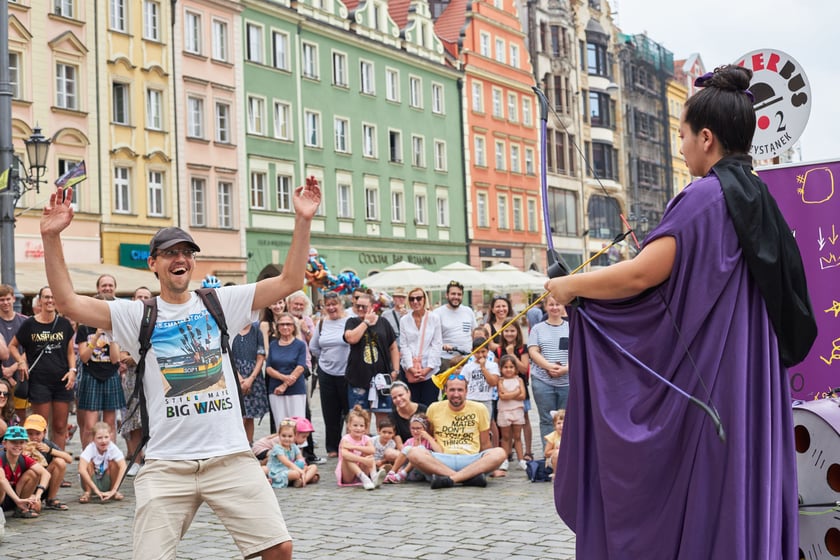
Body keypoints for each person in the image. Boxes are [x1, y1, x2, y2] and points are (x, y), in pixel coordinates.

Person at [546, 65, 816, 559]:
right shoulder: (761, 199)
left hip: (717, 389)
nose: (680, 146)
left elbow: (640, 276)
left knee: (712, 495)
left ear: (707, 139)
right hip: (751, 388)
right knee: (740, 492)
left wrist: (569, 286)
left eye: (683, 135)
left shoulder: (703, 197)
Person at [41, 179, 320, 559]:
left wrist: (302, 220)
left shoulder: (221, 301)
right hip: (167, 463)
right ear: (153, 263)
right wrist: (51, 237)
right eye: (170, 252)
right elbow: (69, 303)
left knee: (278, 548)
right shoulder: (137, 313)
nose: (180, 258)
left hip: (229, 457)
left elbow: (290, 281)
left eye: (187, 251)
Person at [407, 374, 506, 489]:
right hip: (442, 459)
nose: (456, 394)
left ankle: (449, 480)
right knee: (413, 452)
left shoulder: (480, 408)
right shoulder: (434, 408)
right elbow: (430, 436)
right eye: (452, 390)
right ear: (445, 391)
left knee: (499, 452)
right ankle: (467, 478)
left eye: (460, 390)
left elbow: (485, 443)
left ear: (466, 391)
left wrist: (491, 467)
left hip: (470, 459)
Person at [8, 286, 76, 447]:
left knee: (60, 426)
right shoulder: (30, 324)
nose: (50, 300)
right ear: (40, 301)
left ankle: (58, 463)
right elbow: (12, 346)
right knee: (40, 426)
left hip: (62, 380)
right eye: (46, 297)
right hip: (39, 381)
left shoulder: (64, 324)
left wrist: (73, 370)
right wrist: (21, 361)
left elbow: (70, 352)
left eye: (53, 297)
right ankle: (40, 463)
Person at [76, 295, 125, 449]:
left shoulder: (114, 328)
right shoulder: (84, 328)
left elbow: (115, 358)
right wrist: (97, 334)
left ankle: (111, 461)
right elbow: (84, 357)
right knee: (90, 424)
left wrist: (111, 335)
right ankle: (88, 461)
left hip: (110, 375)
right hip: (91, 375)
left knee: (110, 423)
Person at [344, 293, 400, 424]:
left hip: (382, 378)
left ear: (373, 306)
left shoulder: (383, 322)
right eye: (358, 306)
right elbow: (351, 338)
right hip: (358, 378)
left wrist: (395, 370)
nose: (360, 309)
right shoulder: (352, 322)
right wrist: (366, 322)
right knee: (360, 418)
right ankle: (361, 444)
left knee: (384, 418)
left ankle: (380, 444)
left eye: (364, 306)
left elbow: (393, 347)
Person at [309, 292, 350, 458]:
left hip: (347, 373)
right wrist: (324, 359)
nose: (332, 308)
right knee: (330, 412)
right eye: (328, 305)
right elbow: (314, 347)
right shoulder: (321, 323)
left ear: (340, 304)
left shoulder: (349, 321)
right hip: (326, 372)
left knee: (348, 410)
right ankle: (332, 447)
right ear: (324, 307)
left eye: (335, 304)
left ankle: (349, 444)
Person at [119, 286, 153, 477]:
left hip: (152, 378)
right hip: (132, 380)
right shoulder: (127, 323)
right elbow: (122, 356)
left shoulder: (155, 321)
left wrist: (136, 356)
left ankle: (151, 458)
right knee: (133, 420)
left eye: (146, 297)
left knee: (152, 419)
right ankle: (135, 459)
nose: (142, 299)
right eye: (139, 296)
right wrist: (138, 356)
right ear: (133, 299)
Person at [527, 295, 569, 446]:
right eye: (551, 304)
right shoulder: (537, 329)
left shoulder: (571, 327)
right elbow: (533, 351)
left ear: (563, 305)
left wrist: (566, 368)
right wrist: (548, 366)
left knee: (566, 419)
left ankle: (564, 455)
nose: (555, 307)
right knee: (546, 419)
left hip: (566, 381)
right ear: (545, 307)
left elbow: (577, 351)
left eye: (558, 304)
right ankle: (549, 457)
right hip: (543, 380)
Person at [493, 323, 533, 462]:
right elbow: (496, 369)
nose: (509, 333)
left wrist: (511, 355)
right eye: (506, 331)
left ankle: (527, 451)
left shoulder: (522, 349)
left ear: (518, 332)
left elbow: (524, 369)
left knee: (524, 419)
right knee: (506, 422)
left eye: (512, 330)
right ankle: (508, 452)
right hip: (505, 386)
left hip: (520, 385)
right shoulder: (499, 350)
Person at [399, 288, 442, 407]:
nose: (415, 301)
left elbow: (437, 344)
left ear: (424, 299)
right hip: (410, 370)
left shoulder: (434, 318)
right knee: (412, 406)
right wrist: (411, 368)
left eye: (418, 298)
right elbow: (404, 345)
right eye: (412, 299)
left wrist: (428, 368)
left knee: (430, 406)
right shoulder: (404, 320)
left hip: (430, 370)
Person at [231, 317, 269, 444]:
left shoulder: (256, 331)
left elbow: (260, 356)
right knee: (239, 416)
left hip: (254, 376)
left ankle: (249, 445)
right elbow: (227, 355)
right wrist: (239, 378)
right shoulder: (230, 330)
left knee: (249, 416)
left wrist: (251, 379)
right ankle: (238, 445)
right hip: (234, 374)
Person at [23, 413, 72, 511]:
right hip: (27, 486)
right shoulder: (21, 444)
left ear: (44, 433)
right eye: (30, 434)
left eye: (37, 433)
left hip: (44, 484)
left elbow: (69, 459)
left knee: (60, 462)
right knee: (36, 508)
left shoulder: (46, 444)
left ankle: (51, 499)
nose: (34, 437)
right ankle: (25, 501)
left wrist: (50, 450)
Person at [0, 425, 51, 519]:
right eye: (13, 442)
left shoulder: (24, 459)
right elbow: (2, 480)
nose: (18, 445)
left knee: (33, 474)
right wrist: (17, 500)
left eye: (21, 442)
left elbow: (46, 474)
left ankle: (20, 510)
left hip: (15, 497)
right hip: (3, 496)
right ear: (4, 443)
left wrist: (37, 495)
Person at [265, 312, 308, 423]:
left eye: (288, 324)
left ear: (293, 327)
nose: (285, 327)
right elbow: (268, 368)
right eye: (282, 324)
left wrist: (284, 385)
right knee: (281, 424)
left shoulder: (300, 345)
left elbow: (300, 367)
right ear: (277, 327)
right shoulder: (273, 345)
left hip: (296, 389)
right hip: (275, 390)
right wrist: (283, 378)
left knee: (297, 425)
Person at [335, 405, 387, 490]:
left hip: (362, 467)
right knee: (348, 458)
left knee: (369, 454)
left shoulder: (366, 438)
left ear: (365, 427)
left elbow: (372, 450)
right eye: (355, 425)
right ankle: (364, 478)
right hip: (348, 475)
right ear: (349, 426)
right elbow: (345, 455)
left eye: (361, 426)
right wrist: (363, 460)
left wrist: (354, 447)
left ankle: (374, 477)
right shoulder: (346, 439)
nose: (358, 428)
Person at [78, 421, 127, 503]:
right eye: (99, 438)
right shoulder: (90, 448)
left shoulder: (112, 448)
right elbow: (81, 469)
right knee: (88, 464)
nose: (103, 441)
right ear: (93, 438)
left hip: (106, 481)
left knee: (114, 463)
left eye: (106, 437)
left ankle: (113, 492)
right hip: (91, 482)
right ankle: (88, 492)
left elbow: (123, 467)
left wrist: (114, 489)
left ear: (110, 436)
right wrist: (95, 489)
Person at [384, 412, 440, 483]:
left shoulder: (429, 440)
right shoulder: (409, 441)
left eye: (418, 428)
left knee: (415, 452)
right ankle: (392, 472)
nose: (415, 431)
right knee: (406, 451)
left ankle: (401, 474)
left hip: (423, 471)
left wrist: (428, 438)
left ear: (425, 429)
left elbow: (440, 452)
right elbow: (402, 455)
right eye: (413, 428)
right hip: (410, 472)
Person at [264, 418, 319, 488]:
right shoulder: (277, 448)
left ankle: (302, 480)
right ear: (279, 435)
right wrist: (301, 471)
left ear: (294, 436)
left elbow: (301, 459)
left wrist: (304, 468)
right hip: (279, 471)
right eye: (283, 436)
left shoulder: (294, 446)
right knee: (296, 474)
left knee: (313, 467)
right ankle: (304, 478)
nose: (287, 439)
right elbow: (288, 463)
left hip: (292, 468)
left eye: (290, 436)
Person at [434, 280, 477, 371]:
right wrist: (443, 345)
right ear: (447, 295)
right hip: (446, 360)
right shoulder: (437, 313)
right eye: (453, 294)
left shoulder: (468, 311)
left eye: (459, 294)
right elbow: (432, 338)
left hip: (467, 358)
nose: (456, 297)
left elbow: (474, 333)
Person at [0, 284, 28, 421]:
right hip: (1, 377)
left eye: (7, 299)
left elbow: (31, 349)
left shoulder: (25, 321)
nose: (5, 302)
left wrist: (13, 369)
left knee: (21, 417)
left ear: (13, 299)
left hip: (21, 376)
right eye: (1, 299)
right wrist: (5, 373)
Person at [496, 355, 527, 470]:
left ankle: (521, 459)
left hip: (517, 410)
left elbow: (523, 395)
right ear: (501, 368)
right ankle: (504, 459)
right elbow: (502, 396)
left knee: (517, 436)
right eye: (505, 367)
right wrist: (516, 392)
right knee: (505, 437)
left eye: (511, 367)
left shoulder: (519, 380)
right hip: (504, 411)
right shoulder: (500, 381)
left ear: (516, 368)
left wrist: (511, 394)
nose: (508, 369)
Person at [388, 380, 427, 445]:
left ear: (408, 393)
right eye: (394, 398)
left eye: (400, 395)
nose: (398, 399)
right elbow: (399, 444)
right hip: (405, 450)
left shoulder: (424, 410)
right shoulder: (392, 417)